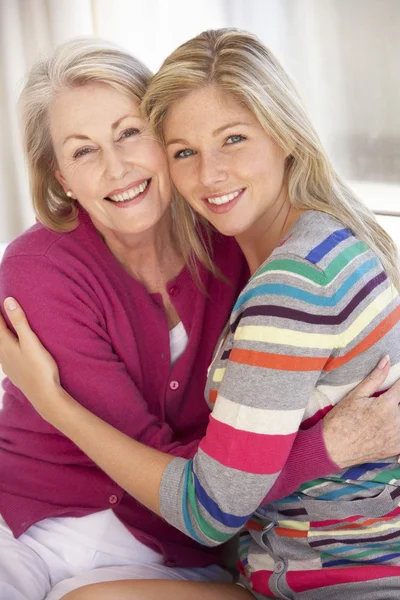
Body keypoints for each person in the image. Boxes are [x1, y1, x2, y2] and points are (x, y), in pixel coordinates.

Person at [1, 32, 400, 600]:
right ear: (62, 177)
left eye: (129, 134)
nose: (115, 168)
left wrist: (51, 402)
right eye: (83, 150)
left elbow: (213, 498)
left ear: (160, 139)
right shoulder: (41, 269)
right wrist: (324, 448)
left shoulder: (246, 250)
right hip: (35, 525)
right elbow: (211, 486)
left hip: (198, 549)